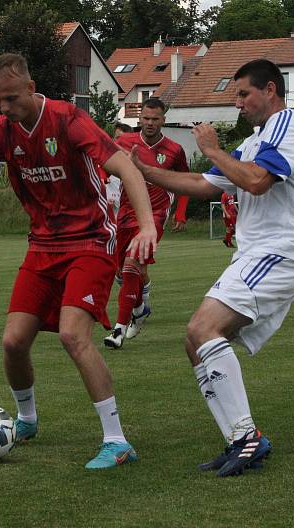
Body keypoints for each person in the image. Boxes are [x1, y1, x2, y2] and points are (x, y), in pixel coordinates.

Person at [0, 53, 157, 469]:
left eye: (11, 98)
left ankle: (117, 441)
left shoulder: (67, 119)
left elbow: (126, 169)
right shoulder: (2, 131)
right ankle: (26, 419)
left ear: (30, 88)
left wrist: (148, 226)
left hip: (90, 241)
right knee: (13, 342)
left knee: (72, 336)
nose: (5, 108)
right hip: (42, 246)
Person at [130, 59, 294, 477]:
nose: (237, 103)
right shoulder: (254, 141)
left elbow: (256, 182)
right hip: (257, 255)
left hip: (279, 252)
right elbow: (203, 184)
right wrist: (143, 170)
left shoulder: (291, 126)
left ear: (269, 90)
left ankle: (246, 438)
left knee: (202, 331)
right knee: (195, 341)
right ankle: (241, 438)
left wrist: (213, 148)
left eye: (243, 94)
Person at [103, 97, 190, 349]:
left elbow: (185, 182)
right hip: (126, 215)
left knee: (132, 264)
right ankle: (140, 309)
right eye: (146, 119)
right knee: (122, 272)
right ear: (139, 119)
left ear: (164, 119)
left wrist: (181, 212)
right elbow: (103, 164)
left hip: (155, 217)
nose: (150, 123)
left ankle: (118, 330)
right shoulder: (124, 143)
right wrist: (99, 179)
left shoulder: (174, 150)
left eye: (155, 119)